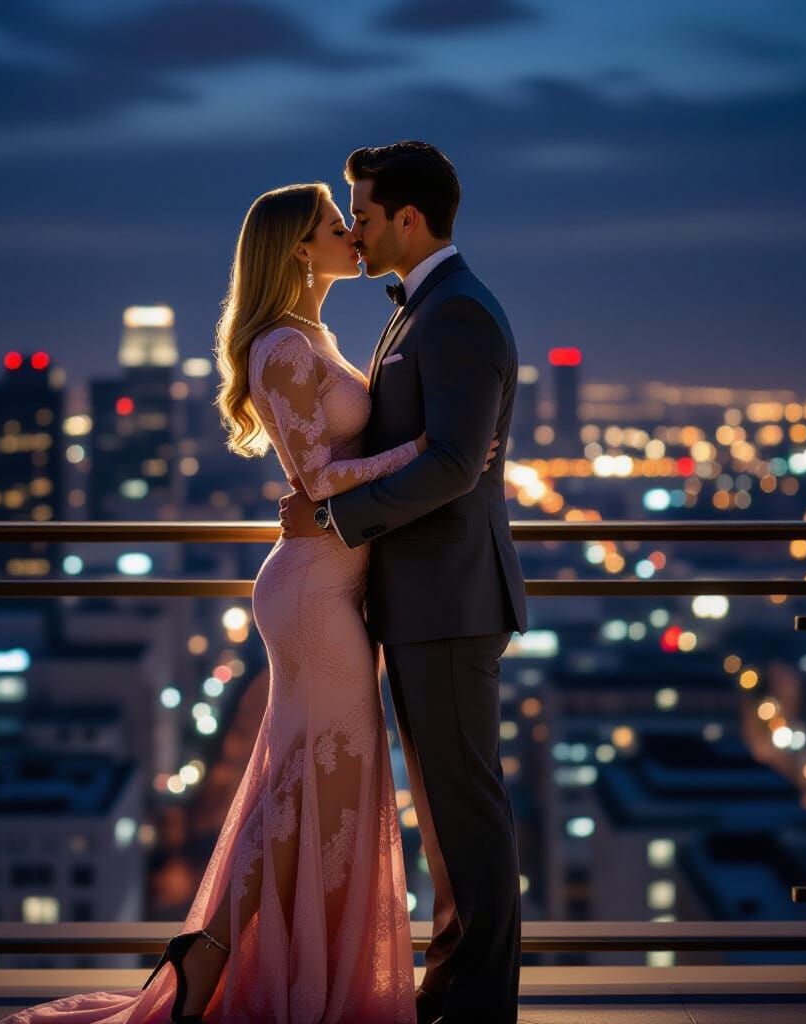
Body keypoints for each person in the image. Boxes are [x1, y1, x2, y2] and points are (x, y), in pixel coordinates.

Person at [0, 179, 498, 1024]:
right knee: (315, 784)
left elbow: (328, 478)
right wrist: (426, 451)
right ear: (300, 250)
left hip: (331, 581)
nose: (353, 235)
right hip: (312, 594)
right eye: (337, 226)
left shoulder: (313, 335)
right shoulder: (278, 347)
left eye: (354, 221)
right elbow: (319, 480)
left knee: (311, 784)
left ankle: (218, 950)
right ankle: (240, 956)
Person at [280, 141, 528, 1024]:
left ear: (408, 220)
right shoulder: (421, 309)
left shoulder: (455, 313)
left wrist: (336, 519)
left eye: (365, 211)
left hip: (451, 598)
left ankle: (478, 1004)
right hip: (426, 597)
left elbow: (458, 463)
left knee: (464, 808)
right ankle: (456, 992)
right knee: (448, 812)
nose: (354, 226)